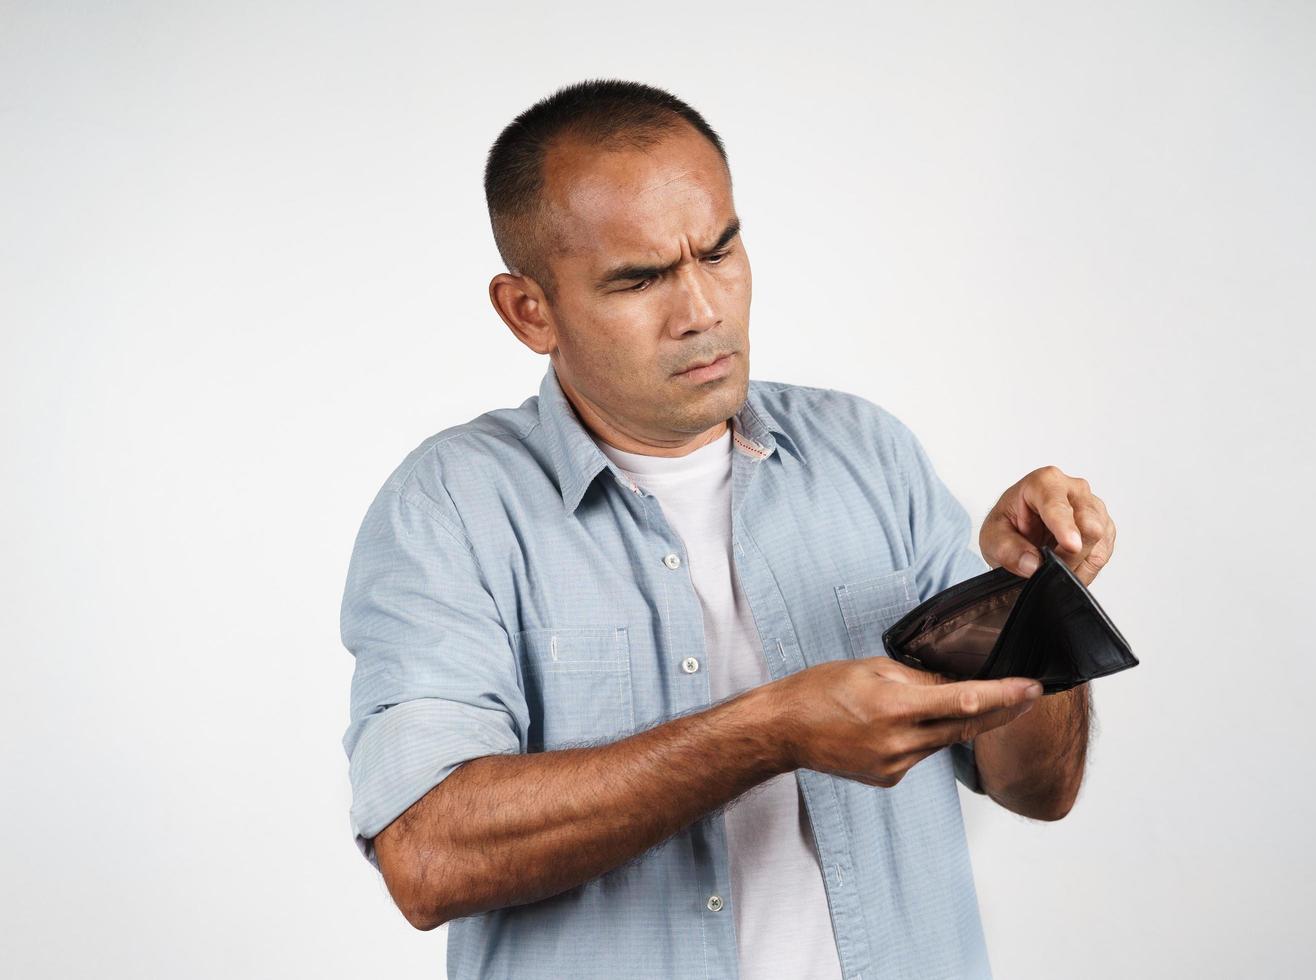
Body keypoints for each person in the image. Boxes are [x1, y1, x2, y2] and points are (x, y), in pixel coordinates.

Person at [339, 78, 1116, 980]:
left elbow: (1038, 788)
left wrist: (1035, 599)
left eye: (719, 250)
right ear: (529, 311)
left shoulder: (869, 452)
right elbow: (427, 858)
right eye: (639, 278)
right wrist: (769, 731)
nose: (702, 308)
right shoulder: (451, 507)